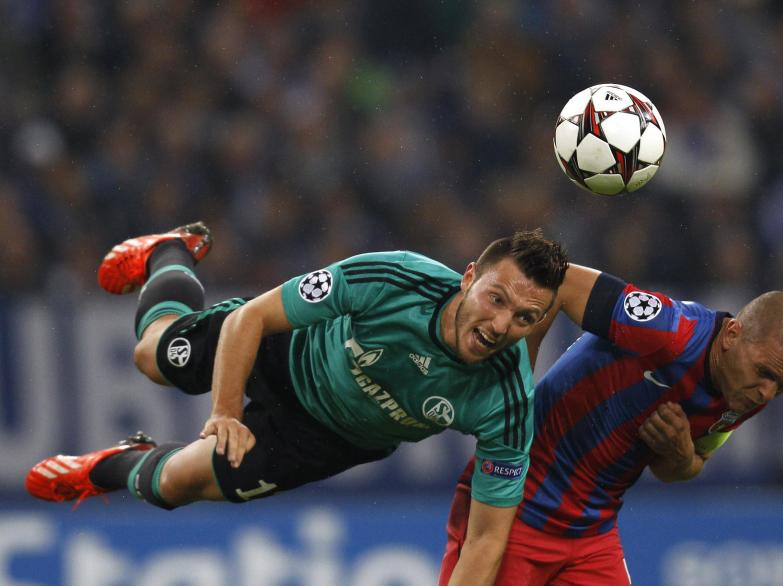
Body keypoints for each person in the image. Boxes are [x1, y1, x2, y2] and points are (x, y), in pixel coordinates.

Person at [25, 222, 569, 586]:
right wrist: (224, 413)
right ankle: (170, 252)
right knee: (153, 357)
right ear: (469, 278)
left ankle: (113, 465)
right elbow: (252, 319)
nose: (501, 326)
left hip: (327, 440)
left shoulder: (508, 398)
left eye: (524, 319)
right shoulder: (394, 277)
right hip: (281, 352)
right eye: (496, 300)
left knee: (173, 486)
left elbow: (487, 538)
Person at [439, 264, 783, 585]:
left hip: (592, 530)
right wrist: (516, 385)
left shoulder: (744, 392)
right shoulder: (670, 329)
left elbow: (682, 468)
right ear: (732, 335)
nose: (768, 393)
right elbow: (556, 279)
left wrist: (681, 451)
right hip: (516, 504)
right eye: (765, 373)